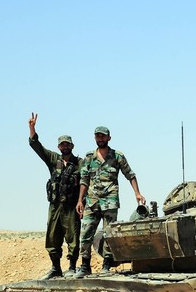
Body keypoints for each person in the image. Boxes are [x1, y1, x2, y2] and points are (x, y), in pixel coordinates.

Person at [74, 126, 145, 278]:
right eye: (98, 136)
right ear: (95, 138)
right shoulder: (89, 158)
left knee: (109, 233)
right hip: (92, 201)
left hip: (110, 200)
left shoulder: (117, 156)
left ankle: (106, 264)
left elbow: (130, 174)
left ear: (108, 138)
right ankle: (85, 265)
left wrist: (137, 193)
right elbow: (84, 180)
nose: (100, 139)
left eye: (103, 136)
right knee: (85, 233)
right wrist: (80, 200)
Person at [28, 113, 82, 279]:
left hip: (71, 206)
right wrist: (32, 128)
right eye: (62, 145)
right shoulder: (53, 159)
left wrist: (82, 202)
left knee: (73, 236)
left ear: (72, 146)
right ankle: (55, 268)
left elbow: (85, 183)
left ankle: (72, 267)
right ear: (59, 147)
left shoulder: (79, 163)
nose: (64, 147)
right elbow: (37, 147)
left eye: (67, 144)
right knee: (52, 236)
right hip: (55, 205)